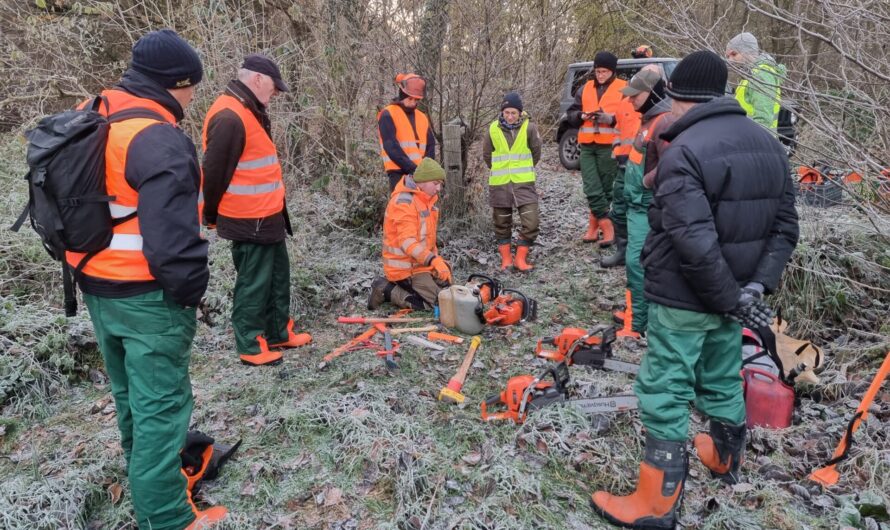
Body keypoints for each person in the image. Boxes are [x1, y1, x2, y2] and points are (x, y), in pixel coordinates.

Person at [591, 50, 799, 528]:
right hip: (736, 297)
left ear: (680, 97)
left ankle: (656, 503)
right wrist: (753, 289)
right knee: (723, 374)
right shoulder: (769, 145)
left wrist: (730, 295)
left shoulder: (685, 150)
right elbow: (786, 227)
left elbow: (694, 240)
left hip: (687, 295)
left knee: (665, 386)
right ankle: (726, 458)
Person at [65, 29, 227, 529]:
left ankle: (146, 479)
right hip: (148, 298)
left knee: (131, 398)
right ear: (175, 83)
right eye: (191, 88)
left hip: (95, 286)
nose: (192, 99)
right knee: (162, 409)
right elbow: (173, 244)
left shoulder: (92, 112)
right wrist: (189, 298)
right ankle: (167, 517)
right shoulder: (155, 136)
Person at [202, 54, 311, 367]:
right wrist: (210, 216)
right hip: (247, 218)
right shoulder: (229, 116)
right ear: (258, 79)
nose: (275, 93)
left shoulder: (249, 109)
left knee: (277, 276)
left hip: (268, 215)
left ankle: (278, 332)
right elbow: (213, 175)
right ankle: (250, 344)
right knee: (253, 283)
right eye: (274, 87)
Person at [615, 67, 674, 333]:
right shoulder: (649, 119)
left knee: (636, 264)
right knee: (635, 263)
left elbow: (673, 165)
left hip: (647, 207)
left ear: (651, 93)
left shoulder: (664, 122)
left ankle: (637, 323)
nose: (629, 101)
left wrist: (647, 182)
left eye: (634, 96)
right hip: (636, 206)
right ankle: (635, 313)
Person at [368, 158, 452, 310]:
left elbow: (428, 240)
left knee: (447, 287)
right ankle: (385, 289)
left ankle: (427, 284)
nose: (439, 188)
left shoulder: (427, 201)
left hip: (420, 265)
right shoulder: (404, 203)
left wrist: (438, 262)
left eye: (440, 184)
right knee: (435, 304)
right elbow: (408, 243)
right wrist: (433, 261)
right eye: (436, 183)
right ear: (422, 181)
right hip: (404, 270)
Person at [566, 51, 627, 246]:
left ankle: (593, 228)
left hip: (609, 145)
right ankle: (607, 225)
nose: (600, 75)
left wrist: (611, 119)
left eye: (604, 71)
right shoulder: (585, 88)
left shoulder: (624, 88)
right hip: (587, 144)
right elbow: (571, 113)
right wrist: (581, 116)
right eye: (597, 71)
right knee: (592, 187)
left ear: (612, 71)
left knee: (606, 189)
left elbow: (630, 116)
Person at [482, 92, 542, 272]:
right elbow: (487, 156)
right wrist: (500, 170)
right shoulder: (492, 129)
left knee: (531, 222)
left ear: (520, 113)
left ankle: (520, 259)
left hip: (524, 184)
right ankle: (507, 260)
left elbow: (536, 153)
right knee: (501, 223)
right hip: (500, 185)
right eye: (506, 112)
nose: (509, 116)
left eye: (513, 113)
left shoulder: (530, 128)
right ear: (502, 112)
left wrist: (522, 169)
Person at [377, 73, 437, 191]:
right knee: (402, 208)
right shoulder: (388, 114)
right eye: (410, 98)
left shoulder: (422, 117)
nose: (413, 102)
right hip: (398, 173)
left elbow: (430, 145)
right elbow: (391, 147)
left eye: (416, 99)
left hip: (421, 175)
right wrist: (414, 170)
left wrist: (426, 170)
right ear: (402, 95)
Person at [726, 32, 786, 131]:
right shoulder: (750, 76)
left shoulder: (762, 74)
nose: (730, 60)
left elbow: (764, 120)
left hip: (756, 142)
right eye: (728, 56)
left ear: (748, 52)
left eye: (734, 54)